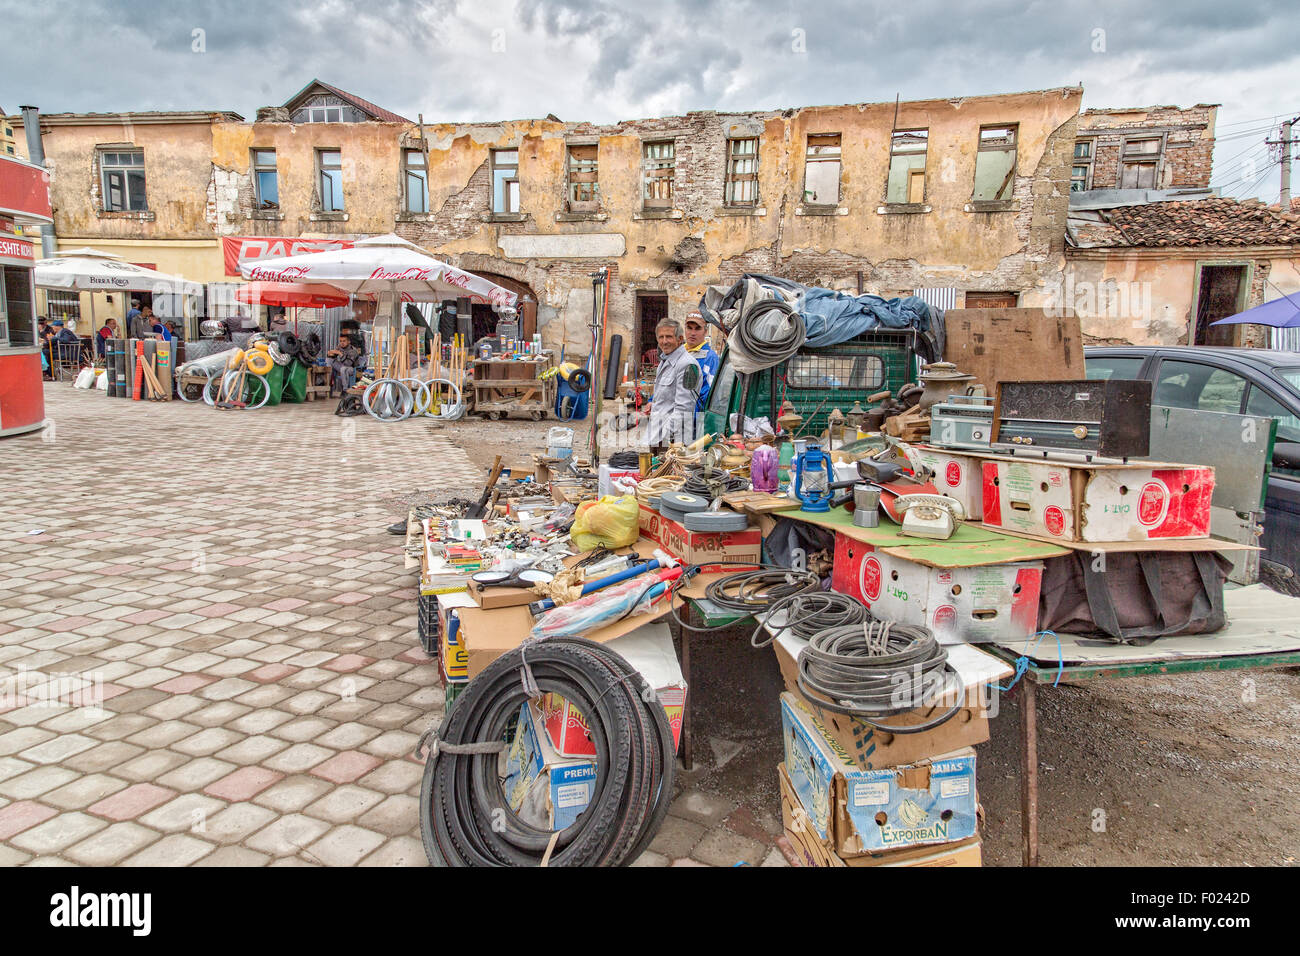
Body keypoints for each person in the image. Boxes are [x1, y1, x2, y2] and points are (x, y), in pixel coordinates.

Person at [642, 318, 700, 448]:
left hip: (673, 440)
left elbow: (684, 408)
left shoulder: (687, 365)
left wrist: (666, 436)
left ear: (679, 339)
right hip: (658, 436)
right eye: (661, 337)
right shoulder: (665, 360)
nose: (664, 341)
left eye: (669, 337)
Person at [684, 311, 719, 411]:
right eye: (689, 328)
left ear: (705, 331)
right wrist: (652, 401)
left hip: (693, 417)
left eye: (698, 329)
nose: (693, 333)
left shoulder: (710, 358)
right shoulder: (677, 354)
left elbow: (709, 395)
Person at [327, 331, 367, 396]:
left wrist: (340, 354)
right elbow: (333, 357)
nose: (342, 343)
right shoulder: (339, 347)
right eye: (340, 341)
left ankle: (345, 390)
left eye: (344, 341)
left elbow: (348, 363)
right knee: (328, 360)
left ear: (348, 342)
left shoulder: (353, 350)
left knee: (343, 369)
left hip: (352, 369)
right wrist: (330, 354)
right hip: (342, 366)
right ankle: (329, 383)